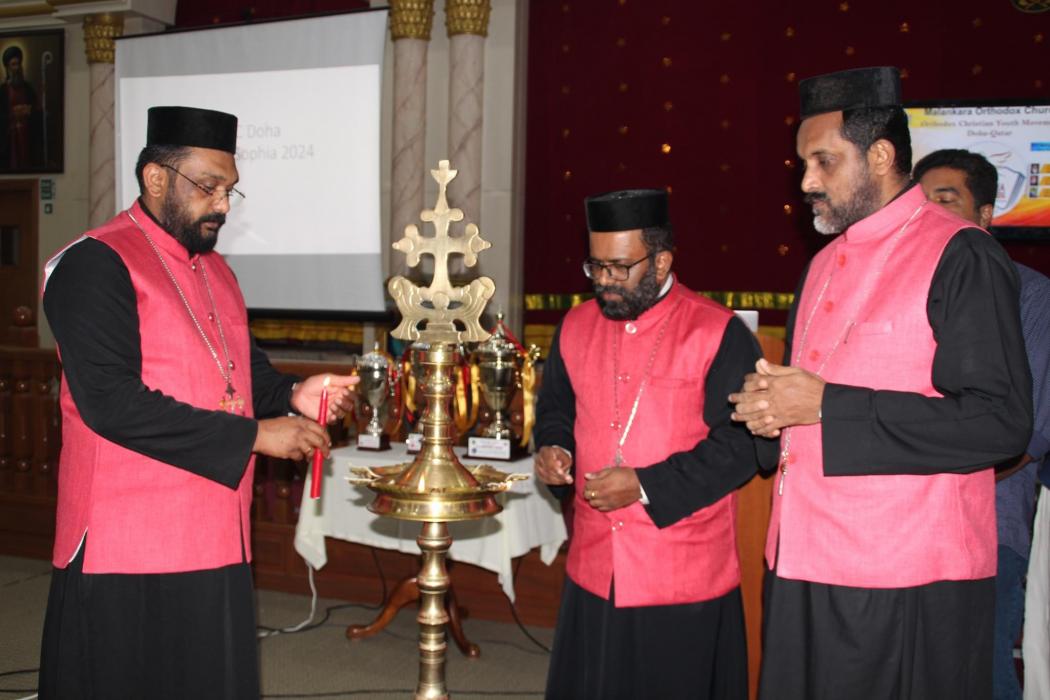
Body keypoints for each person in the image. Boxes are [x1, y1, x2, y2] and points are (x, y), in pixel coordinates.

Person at [728, 67, 1033, 699]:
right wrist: (772, 412)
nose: (806, 181)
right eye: (803, 163)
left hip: (905, 575)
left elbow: (999, 422)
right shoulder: (820, 264)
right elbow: (810, 403)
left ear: (881, 156)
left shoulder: (962, 253)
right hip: (800, 558)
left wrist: (825, 405)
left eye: (824, 161)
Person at [38, 106, 358, 699]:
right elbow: (111, 403)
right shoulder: (94, 263)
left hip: (215, 532)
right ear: (156, 178)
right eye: (209, 187)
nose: (223, 205)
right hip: (125, 542)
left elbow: (240, 372)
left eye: (230, 189)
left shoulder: (217, 271)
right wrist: (257, 436)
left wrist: (292, 394)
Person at [534, 188, 762, 700]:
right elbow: (555, 411)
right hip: (594, 566)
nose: (605, 281)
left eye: (620, 267)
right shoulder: (573, 326)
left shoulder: (716, 331)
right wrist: (554, 449)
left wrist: (644, 486)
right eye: (596, 267)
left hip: (680, 574)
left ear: (661, 261)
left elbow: (742, 446)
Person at [914, 148, 1050, 700]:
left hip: (986, 529)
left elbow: (1028, 435)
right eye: (920, 202)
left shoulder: (1031, 296)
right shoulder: (898, 291)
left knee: (980, 678)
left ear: (986, 214)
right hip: (898, 528)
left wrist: (929, 479)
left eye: (945, 200)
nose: (929, 213)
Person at [0, 45, 40, 169]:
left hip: (27, 137)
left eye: (18, 64)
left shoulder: (28, 89)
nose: (16, 68)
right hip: (10, 139)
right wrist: (12, 114)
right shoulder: (2, 91)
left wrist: (29, 111)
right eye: (13, 64)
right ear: (7, 68)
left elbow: (37, 110)